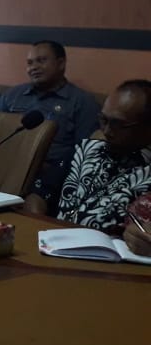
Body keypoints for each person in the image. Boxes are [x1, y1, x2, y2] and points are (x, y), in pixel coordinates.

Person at [0, 40, 100, 214]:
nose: (34, 67)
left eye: (41, 61)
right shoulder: (14, 95)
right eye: (30, 63)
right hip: (6, 168)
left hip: (49, 176)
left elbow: (84, 153)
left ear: (61, 63)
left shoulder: (82, 102)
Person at [54, 80, 151, 234]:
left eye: (117, 124)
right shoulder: (85, 150)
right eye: (103, 120)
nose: (106, 131)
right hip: (53, 239)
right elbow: (40, 194)